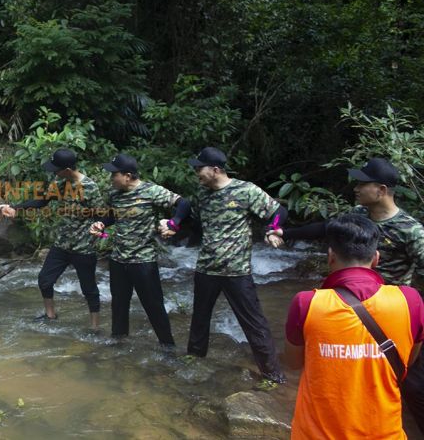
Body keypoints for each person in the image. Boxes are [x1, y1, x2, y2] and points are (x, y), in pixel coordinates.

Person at [268, 157, 424, 431]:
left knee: (412, 386)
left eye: (363, 184)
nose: (356, 188)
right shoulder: (358, 216)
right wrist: (285, 232)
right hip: (345, 306)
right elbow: (325, 228)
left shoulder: (411, 230)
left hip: (391, 314)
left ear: (382, 190)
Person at [286, 214, 424, 439]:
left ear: (331, 256)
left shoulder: (307, 303)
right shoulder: (409, 300)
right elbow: (408, 360)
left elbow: (292, 362)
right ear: (376, 258)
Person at [164, 146, 287, 386]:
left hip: (236, 270)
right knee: (200, 316)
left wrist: (273, 229)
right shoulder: (202, 194)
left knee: (253, 323)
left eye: (199, 168)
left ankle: (272, 375)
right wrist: (174, 223)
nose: (196, 173)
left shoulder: (245, 190)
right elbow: (189, 210)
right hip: (206, 267)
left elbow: (278, 211)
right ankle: (195, 356)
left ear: (215, 170)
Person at [90, 153, 188, 345]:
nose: (111, 178)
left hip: (143, 261)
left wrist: (174, 222)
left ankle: (168, 347)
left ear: (127, 176)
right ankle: (119, 345)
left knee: (154, 306)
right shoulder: (115, 195)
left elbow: (183, 204)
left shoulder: (151, 191)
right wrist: (101, 223)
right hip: (118, 260)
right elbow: (112, 216)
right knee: (118, 305)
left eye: (114, 174)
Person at [9, 149, 105, 329]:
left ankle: (95, 327)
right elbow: (43, 200)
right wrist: (16, 207)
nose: (54, 172)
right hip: (62, 244)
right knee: (44, 280)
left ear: (67, 170)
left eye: (56, 169)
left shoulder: (89, 187)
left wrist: (99, 229)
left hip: (83, 246)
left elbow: (101, 215)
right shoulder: (60, 181)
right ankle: (50, 315)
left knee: (89, 289)